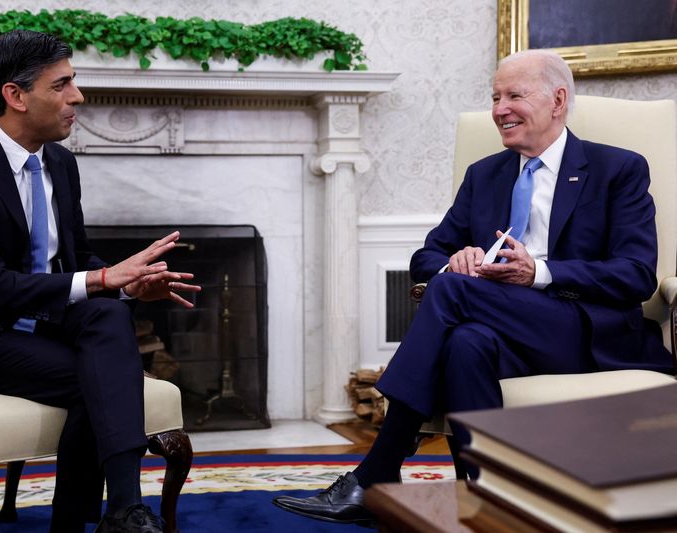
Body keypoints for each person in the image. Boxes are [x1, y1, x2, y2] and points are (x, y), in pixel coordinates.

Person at [273, 49, 676, 526]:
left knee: (452, 294)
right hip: (503, 330)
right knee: (466, 343)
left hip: (583, 333)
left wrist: (538, 273)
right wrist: (454, 261)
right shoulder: (485, 174)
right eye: (495, 97)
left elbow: (635, 274)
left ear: (558, 100)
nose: (499, 109)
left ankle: (377, 472)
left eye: (514, 95)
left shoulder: (617, 170)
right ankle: (488, 502)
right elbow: (426, 256)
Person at [0, 30, 200, 533]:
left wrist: (126, 284)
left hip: (41, 325)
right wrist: (101, 278)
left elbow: (74, 259)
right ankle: (95, 518)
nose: (77, 97)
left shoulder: (60, 161)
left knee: (106, 313)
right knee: (95, 374)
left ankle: (123, 510)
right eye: (62, 85)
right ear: (15, 95)